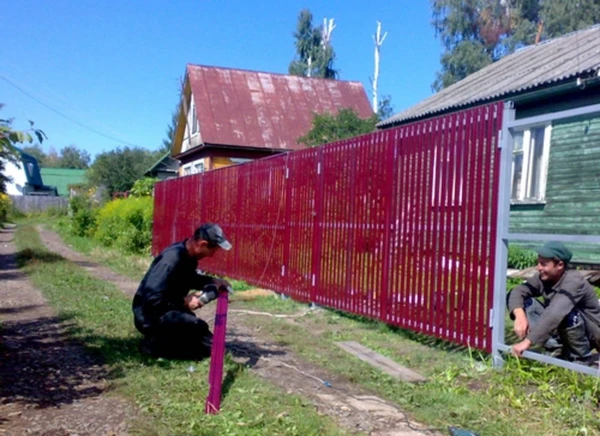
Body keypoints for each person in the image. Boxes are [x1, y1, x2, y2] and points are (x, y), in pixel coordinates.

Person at [132, 223, 232, 360]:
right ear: (202, 244)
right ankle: (153, 344)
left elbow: (187, 278)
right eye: (213, 250)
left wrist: (212, 281)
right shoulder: (171, 261)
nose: (212, 255)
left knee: (208, 343)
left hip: (168, 309)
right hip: (149, 316)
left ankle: (162, 341)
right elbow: (152, 298)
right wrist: (184, 302)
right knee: (198, 332)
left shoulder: (187, 256)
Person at [508, 241, 600, 363]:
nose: (538, 267)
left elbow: (555, 313)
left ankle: (581, 358)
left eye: (543, 264)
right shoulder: (543, 277)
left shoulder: (574, 281)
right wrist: (519, 315)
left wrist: (526, 342)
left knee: (565, 313)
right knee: (524, 302)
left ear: (560, 265)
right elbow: (517, 291)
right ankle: (555, 348)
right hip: (562, 326)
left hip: (589, 333)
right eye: (538, 263)